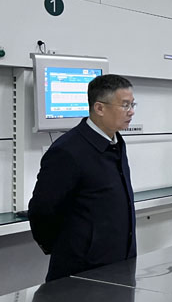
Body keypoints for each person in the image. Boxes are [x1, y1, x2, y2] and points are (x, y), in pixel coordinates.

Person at [28, 74, 137, 282]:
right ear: (99, 108)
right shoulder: (68, 151)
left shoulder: (116, 142)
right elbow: (42, 210)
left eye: (133, 104)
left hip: (121, 263)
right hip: (82, 270)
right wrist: (68, 247)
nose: (131, 111)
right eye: (125, 105)